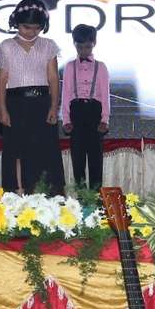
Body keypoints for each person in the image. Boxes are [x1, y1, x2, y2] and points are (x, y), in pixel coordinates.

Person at [0, 0, 63, 194]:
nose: (31, 32)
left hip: (42, 104)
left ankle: (47, 195)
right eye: (26, 27)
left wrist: (54, 107)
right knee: (15, 150)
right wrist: (2, 110)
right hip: (15, 104)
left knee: (45, 150)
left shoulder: (48, 45)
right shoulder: (6, 46)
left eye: (37, 28)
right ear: (16, 23)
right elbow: (1, 81)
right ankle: (17, 193)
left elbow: (53, 78)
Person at [61, 24, 110, 192]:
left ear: (94, 43)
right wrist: (66, 119)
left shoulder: (101, 67)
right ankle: (81, 199)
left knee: (96, 159)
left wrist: (104, 119)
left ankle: (96, 197)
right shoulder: (69, 67)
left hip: (94, 112)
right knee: (78, 159)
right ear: (74, 44)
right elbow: (66, 94)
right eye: (79, 47)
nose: (83, 50)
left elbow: (105, 95)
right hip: (76, 112)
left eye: (87, 47)